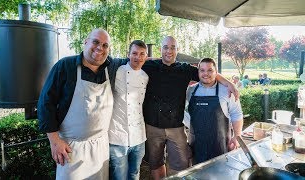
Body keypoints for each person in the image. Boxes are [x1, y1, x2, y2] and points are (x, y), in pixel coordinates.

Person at [141, 36, 239, 179]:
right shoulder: (150, 66)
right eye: (166, 47)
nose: (169, 51)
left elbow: (208, 73)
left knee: (181, 163)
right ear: (160, 49)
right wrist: (146, 58)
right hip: (153, 126)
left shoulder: (185, 69)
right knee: (156, 162)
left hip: (176, 127)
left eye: (173, 47)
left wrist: (228, 83)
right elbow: (133, 63)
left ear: (177, 50)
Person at [37, 28, 126, 180]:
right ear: (85, 42)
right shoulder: (65, 66)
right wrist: (54, 141)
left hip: (100, 148)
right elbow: (46, 103)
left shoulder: (111, 67)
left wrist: (151, 61)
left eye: (105, 45)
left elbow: (134, 60)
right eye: (96, 42)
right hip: (72, 149)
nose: (100, 48)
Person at [186, 58, 243, 164]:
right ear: (198, 72)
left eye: (210, 70)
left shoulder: (227, 90)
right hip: (196, 145)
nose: (205, 74)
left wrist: (237, 136)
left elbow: (236, 114)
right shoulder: (190, 91)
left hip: (221, 145)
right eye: (202, 70)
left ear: (216, 72)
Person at [108, 40, 149, 180]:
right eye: (135, 53)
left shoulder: (145, 76)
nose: (138, 57)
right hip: (117, 137)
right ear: (128, 54)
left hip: (139, 138)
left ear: (146, 56)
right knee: (119, 177)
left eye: (142, 54)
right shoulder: (117, 70)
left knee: (134, 174)